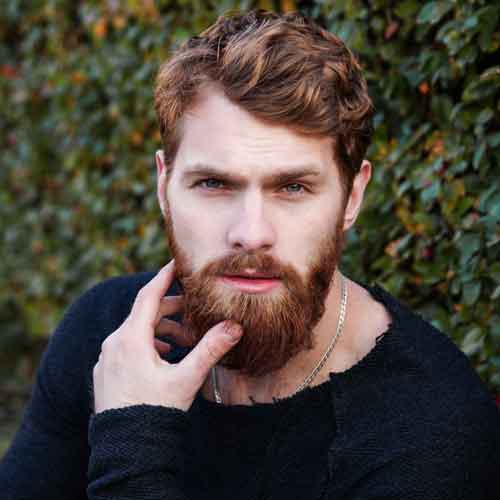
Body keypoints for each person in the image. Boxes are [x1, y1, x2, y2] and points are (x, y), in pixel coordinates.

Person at [1, 8, 499, 500]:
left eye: (294, 187)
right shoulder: (109, 338)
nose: (251, 234)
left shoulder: (430, 434)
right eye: (213, 183)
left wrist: (132, 437)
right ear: (163, 186)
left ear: (352, 197)